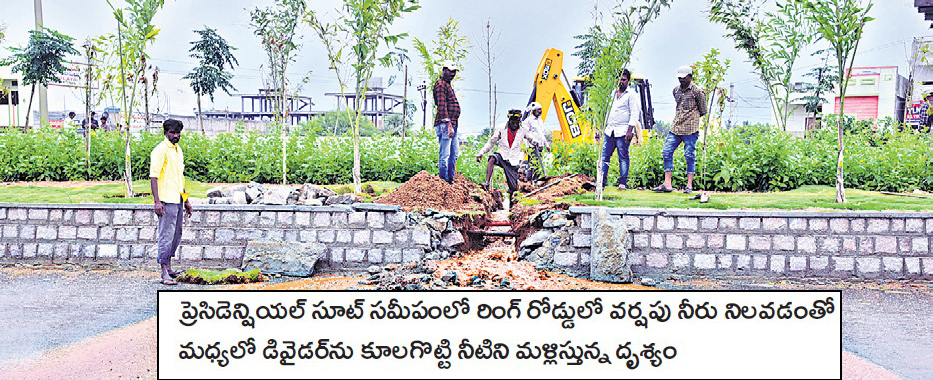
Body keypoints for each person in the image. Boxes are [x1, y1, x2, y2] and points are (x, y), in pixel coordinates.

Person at [150, 119, 192, 285]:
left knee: (176, 235)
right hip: (166, 201)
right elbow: (154, 176)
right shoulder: (161, 150)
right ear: (166, 133)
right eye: (172, 133)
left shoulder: (177, 150)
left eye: (178, 132)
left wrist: (186, 200)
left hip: (178, 199)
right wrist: (157, 202)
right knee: (166, 236)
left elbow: (179, 177)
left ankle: (169, 268)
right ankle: (163, 273)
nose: (175, 136)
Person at [654, 65, 706, 193]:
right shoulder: (676, 90)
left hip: (690, 129)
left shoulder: (697, 92)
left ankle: (689, 185)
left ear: (690, 77)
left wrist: (692, 117)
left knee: (689, 155)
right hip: (676, 127)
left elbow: (703, 110)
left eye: (684, 78)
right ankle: (667, 183)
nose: (681, 80)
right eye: (679, 78)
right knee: (667, 151)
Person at [476, 109, 539, 199]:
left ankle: (511, 201)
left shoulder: (523, 129)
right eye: (513, 122)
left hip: (513, 161)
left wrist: (534, 141)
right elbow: (491, 142)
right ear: (509, 120)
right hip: (502, 155)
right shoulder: (502, 128)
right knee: (492, 158)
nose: (515, 125)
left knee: (513, 188)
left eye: (517, 122)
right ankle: (487, 183)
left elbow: (530, 137)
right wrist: (481, 153)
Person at [600, 68, 641, 191]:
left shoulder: (632, 95)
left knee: (623, 157)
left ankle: (622, 183)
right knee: (604, 157)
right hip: (610, 130)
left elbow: (634, 113)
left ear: (628, 81)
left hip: (623, 131)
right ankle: (601, 182)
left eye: (623, 79)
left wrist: (630, 130)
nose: (621, 81)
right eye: (619, 79)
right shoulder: (612, 94)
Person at [433, 60, 461, 184]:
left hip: (452, 124)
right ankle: (443, 181)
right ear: (444, 70)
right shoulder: (441, 85)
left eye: (454, 71)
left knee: (454, 154)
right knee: (445, 154)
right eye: (450, 71)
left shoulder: (447, 84)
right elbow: (442, 105)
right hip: (446, 124)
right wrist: (448, 124)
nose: (452, 74)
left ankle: (450, 180)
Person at [521, 101, 551, 181]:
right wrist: (527, 147)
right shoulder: (528, 121)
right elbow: (525, 134)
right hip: (533, 146)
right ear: (533, 111)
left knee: (539, 165)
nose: (540, 111)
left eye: (540, 110)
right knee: (532, 164)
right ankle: (529, 180)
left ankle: (536, 180)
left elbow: (542, 134)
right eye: (538, 110)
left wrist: (547, 145)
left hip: (540, 146)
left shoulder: (540, 120)